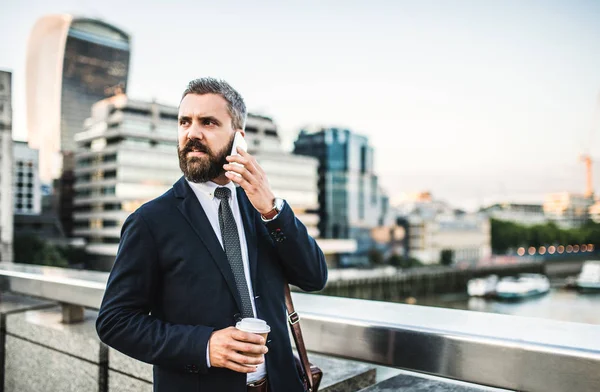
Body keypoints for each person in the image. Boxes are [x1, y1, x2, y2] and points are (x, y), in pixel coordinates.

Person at [96, 77, 328, 392]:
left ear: (238, 139)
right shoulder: (150, 221)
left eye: (208, 122)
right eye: (184, 122)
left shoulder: (261, 209)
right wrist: (205, 346)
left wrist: (272, 209)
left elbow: (315, 277)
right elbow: (115, 321)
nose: (192, 133)